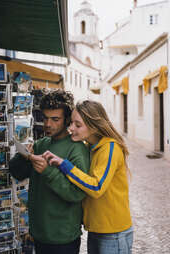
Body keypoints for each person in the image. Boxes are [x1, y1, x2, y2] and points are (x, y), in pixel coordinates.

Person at [43, 100, 133, 254]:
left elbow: (96, 187)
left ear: (94, 126)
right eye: (71, 123)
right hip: (97, 230)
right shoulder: (91, 148)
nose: (71, 128)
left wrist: (65, 165)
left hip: (113, 233)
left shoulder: (110, 148)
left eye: (78, 125)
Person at [8, 90, 90, 254]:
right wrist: (23, 156)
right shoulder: (41, 144)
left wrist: (48, 172)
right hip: (39, 235)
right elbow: (17, 173)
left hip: (63, 238)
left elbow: (78, 194)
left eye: (55, 119)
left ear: (67, 120)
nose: (47, 124)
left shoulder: (77, 149)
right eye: (45, 118)